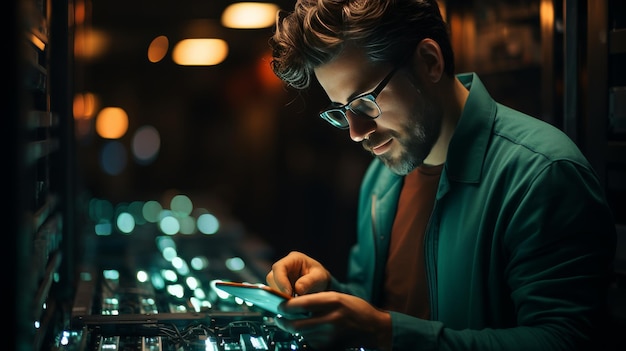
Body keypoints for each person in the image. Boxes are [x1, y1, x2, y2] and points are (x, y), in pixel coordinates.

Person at [264, 0, 617, 350]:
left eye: (364, 102)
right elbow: (383, 305)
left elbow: (564, 340)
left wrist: (386, 334)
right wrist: (331, 296)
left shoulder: (542, 174)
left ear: (430, 62)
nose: (356, 131)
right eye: (341, 110)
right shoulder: (381, 178)